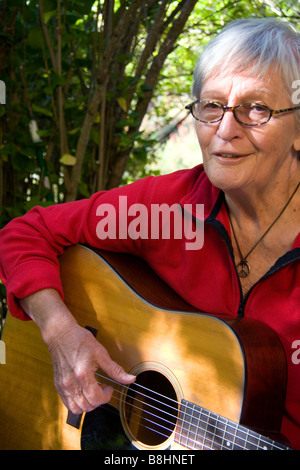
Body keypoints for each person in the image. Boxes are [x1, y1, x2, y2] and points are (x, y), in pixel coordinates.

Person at [1, 17, 300, 450]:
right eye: (211, 105)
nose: (225, 130)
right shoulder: (166, 209)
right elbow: (26, 232)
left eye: (257, 109)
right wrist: (62, 334)